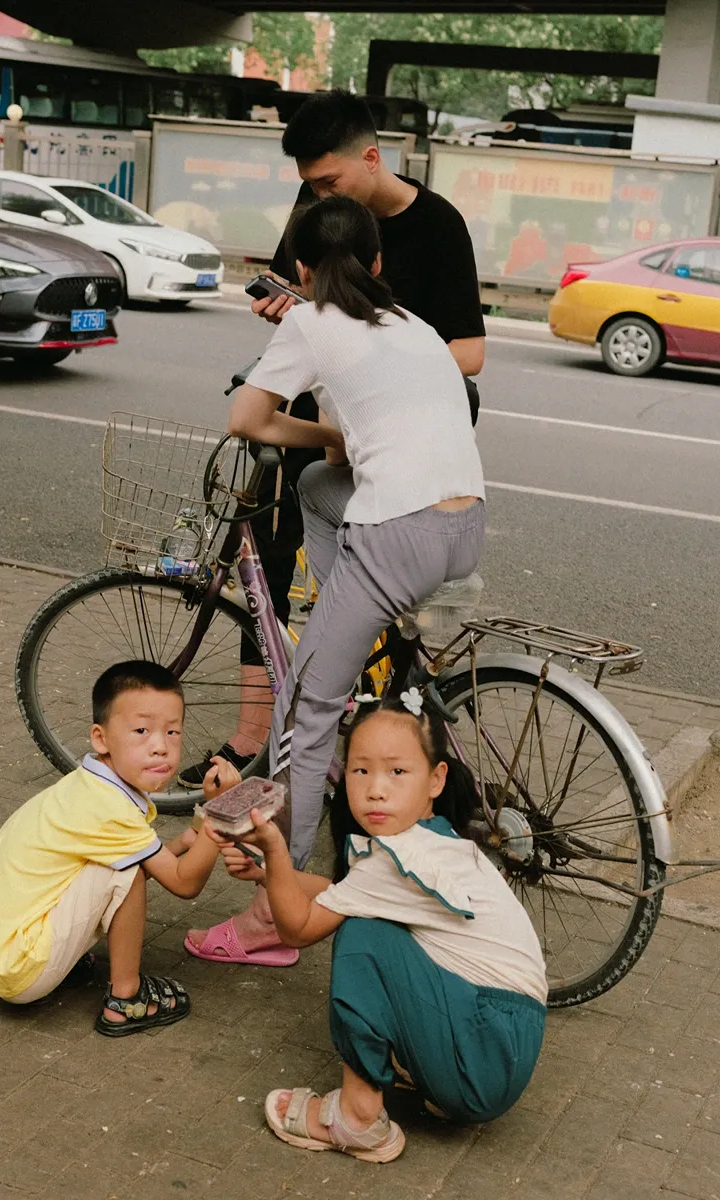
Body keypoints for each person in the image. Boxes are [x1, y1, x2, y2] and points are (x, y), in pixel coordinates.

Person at [185, 194, 485, 967]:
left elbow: (246, 420)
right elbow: (345, 460)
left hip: (400, 536)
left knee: (305, 708)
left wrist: (322, 431)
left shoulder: (309, 320)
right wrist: (339, 443)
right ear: (379, 263)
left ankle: (270, 917)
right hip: (463, 529)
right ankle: (348, 614)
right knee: (320, 486)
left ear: (304, 271)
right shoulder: (411, 324)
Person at [178, 90, 485, 791]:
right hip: (312, 426)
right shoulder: (316, 216)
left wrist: (362, 331)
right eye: (308, 187)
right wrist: (290, 312)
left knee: (377, 603)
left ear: (371, 158)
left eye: (327, 183)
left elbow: (468, 353)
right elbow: (304, 297)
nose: (315, 198)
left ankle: (387, 744)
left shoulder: (438, 226)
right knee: (270, 563)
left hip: (391, 452)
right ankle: (253, 743)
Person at [207, 695, 547, 1161]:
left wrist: (275, 848)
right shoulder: (432, 838)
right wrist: (271, 871)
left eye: (397, 772)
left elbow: (298, 929)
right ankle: (430, 1070)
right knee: (364, 919)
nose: (375, 789)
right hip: (502, 1044)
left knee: (362, 936)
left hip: (485, 1051)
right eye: (360, 770)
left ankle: (358, 1118)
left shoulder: (391, 861)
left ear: (436, 779)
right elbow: (342, 891)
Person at [0, 660, 238, 1033]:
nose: (160, 747)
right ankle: (126, 999)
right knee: (124, 871)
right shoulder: (109, 809)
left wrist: (190, 838)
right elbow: (184, 884)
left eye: (173, 732)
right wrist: (219, 814)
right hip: (20, 967)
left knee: (126, 863)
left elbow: (153, 859)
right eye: (141, 730)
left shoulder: (92, 786)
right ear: (101, 738)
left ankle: (68, 958)